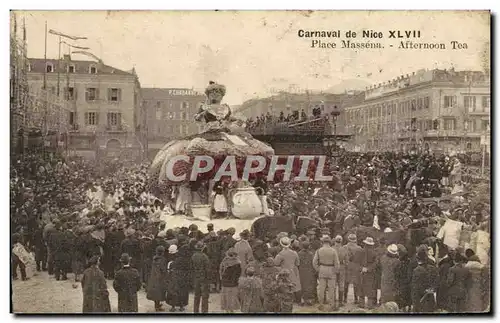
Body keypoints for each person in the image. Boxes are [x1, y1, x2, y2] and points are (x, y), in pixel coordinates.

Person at [313, 235, 340, 311]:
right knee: (331, 289)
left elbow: (314, 262)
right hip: (331, 270)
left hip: (322, 269)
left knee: (322, 288)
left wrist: (318, 269)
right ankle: (332, 305)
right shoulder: (333, 250)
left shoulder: (319, 250)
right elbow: (337, 263)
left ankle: (321, 304)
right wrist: (335, 271)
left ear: (322, 242)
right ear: (330, 242)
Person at [274, 237, 301, 304]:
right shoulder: (294, 253)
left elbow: (276, 263)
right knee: (296, 285)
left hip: (284, 272)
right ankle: (298, 300)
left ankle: (287, 299)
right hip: (293, 270)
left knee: (285, 284)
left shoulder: (280, 254)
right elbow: (298, 263)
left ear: (281, 244)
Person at [411, 247, 438, 313]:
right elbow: (437, 282)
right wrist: (432, 289)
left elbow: (415, 288)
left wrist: (414, 303)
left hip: (420, 299)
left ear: (418, 259)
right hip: (430, 298)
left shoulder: (416, 270)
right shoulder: (432, 268)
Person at [166, 245, 190, 312]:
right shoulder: (184, 259)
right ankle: (181, 306)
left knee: (173, 292)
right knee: (182, 291)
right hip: (182, 277)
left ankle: (173, 306)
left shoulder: (171, 262)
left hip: (174, 277)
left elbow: (169, 271)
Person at [219, 248, 241, 313]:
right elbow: (238, 274)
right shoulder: (237, 263)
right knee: (232, 297)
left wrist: (222, 278)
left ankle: (227, 310)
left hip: (225, 283)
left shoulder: (224, 261)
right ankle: (231, 310)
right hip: (233, 283)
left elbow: (220, 272)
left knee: (225, 297)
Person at [147, 246, 168, 311]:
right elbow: (163, 269)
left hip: (154, 277)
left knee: (155, 292)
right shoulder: (163, 259)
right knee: (159, 292)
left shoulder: (154, 258)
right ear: (162, 252)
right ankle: (157, 307)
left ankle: (157, 305)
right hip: (160, 278)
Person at [344, 234, 364, 305]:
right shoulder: (359, 248)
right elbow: (362, 259)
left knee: (346, 282)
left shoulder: (345, 247)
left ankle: (345, 299)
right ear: (355, 239)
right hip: (356, 266)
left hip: (348, 266)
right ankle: (356, 299)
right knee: (356, 283)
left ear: (348, 239)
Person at [191, 241, 210, 313]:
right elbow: (207, 269)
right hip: (203, 278)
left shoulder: (193, 256)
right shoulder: (205, 257)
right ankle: (204, 311)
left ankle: (196, 311)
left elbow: (191, 267)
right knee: (205, 296)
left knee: (197, 296)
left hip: (196, 277)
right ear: (202, 248)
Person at [360, 236, 378, 309]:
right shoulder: (374, 253)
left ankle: (361, 304)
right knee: (370, 288)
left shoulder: (360, 251)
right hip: (370, 273)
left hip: (361, 272)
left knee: (361, 287)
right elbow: (376, 263)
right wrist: (368, 269)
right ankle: (370, 305)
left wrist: (361, 268)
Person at [297, 241, 316, 305]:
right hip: (309, 270)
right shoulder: (311, 254)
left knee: (302, 284)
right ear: (308, 246)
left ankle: (302, 300)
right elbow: (313, 263)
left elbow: (297, 263)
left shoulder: (299, 253)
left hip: (301, 270)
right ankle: (308, 300)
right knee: (308, 285)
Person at [333, 235, 348, 307]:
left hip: (333, 267)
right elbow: (347, 261)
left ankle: (333, 300)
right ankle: (340, 302)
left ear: (335, 240)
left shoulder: (332, 248)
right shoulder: (344, 249)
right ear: (341, 241)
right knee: (341, 284)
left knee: (333, 284)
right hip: (342, 267)